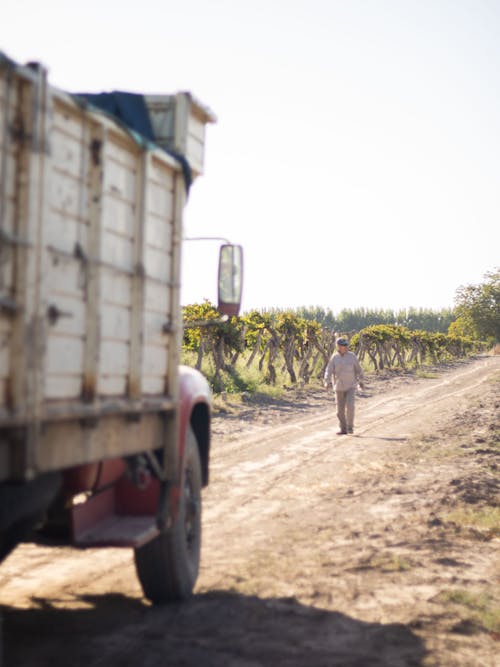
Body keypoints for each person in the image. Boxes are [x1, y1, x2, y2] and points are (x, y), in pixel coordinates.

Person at [323, 337, 365, 435]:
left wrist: (361, 381)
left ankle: (350, 427)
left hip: (351, 386)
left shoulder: (352, 356)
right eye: (342, 346)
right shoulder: (334, 357)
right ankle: (343, 428)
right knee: (339, 411)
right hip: (338, 387)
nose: (345, 347)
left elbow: (359, 370)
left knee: (350, 406)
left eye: (346, 345)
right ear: (338, 347)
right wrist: (327, 381)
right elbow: (328, 370)